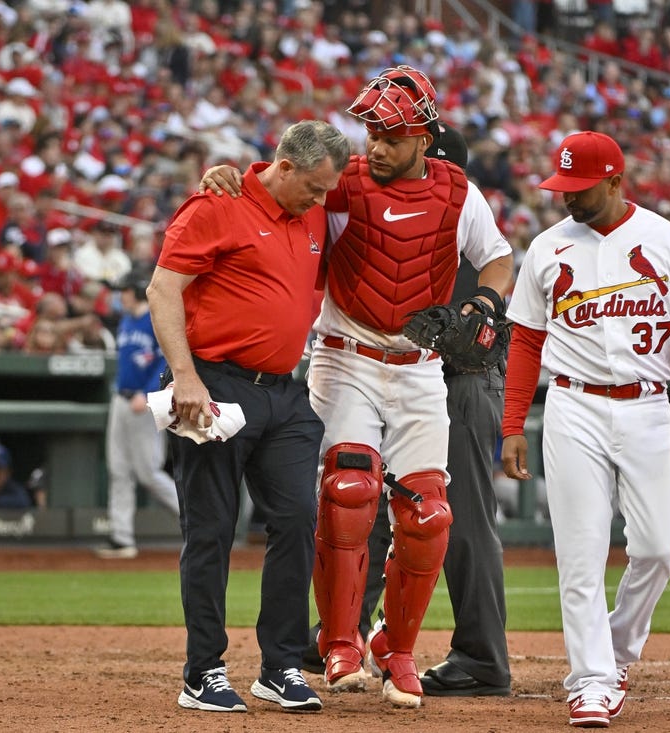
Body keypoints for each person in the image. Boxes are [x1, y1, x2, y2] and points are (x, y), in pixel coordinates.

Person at [201, 67, 514, 709]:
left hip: (421, 365)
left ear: (425, 136)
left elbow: (499, 258)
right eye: (371, 131)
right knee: (349, 490)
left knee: (429, 513)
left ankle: (395, 648)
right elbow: (278, 185)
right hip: (345, 356)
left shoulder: (460, 192)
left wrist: (482, 305)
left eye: (391, 135)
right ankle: (339, 639)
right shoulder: (339, 186)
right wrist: (228, 178)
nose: (375, 145)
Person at [500, 131, 670, 728]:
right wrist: (512, 423)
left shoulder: (667, 240)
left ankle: (618, 648)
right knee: (580, 552)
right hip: (572, 407)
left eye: (581, 187)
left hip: (649, 407)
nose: (568, 197)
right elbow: (524, 342)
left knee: (660, 545)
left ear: (616, 181)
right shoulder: (546, 248)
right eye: (562, 186)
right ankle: (591, 680)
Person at [147, 119, 350, 716]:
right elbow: (163, 290)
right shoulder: (218, 202)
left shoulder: (308, 206)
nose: (321, 201)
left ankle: (281, 665)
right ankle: (202, 671)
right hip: (214, 381)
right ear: (283, 166)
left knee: (295, 519)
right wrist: (186, 378)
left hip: (285, 394)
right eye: (313, 188)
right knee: (210, 530)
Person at [95, 270, 180, 560]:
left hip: (146, 400)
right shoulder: (127, 320)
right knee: (118, 470)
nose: (120, 295)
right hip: (122, 398)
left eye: (124, 290)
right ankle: (121, 538)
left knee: (148, 472)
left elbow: (167, 358)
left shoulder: (154, 318)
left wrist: (147, 391)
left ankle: (198, 521)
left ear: (137, 291)